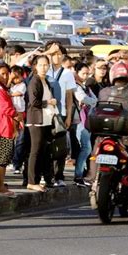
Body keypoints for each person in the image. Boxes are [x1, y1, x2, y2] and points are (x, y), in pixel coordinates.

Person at [44, 41, 77, 187]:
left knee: (61, 147)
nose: (56, 57)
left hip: (61, 113)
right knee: (46, 146)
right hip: (44, 113)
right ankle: (47, 175)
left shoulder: (68, 73)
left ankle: (59, 175)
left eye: (59, 54)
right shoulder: (43, 70)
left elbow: (69, 97)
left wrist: (69, 115)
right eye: (53, 54)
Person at [26, 56, 57, 192]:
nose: (44, 68)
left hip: (46, 119)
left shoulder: (46, 81)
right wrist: (48, 103)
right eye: (41, 65)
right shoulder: (35, 81)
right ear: (35, 66)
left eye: (46, 65)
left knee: (42, 152)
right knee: (35, 151)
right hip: (36, 120)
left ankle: (37, 180)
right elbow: (34, 102)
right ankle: (31, 181)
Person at [0, 63, 20, 196]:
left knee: (5, 158)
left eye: (7, 73)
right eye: (2, 73)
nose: (5, 76)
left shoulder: (3, 89)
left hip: (7, 126)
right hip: (3, 127)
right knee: (2, 159)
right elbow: (5, 107)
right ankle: (0, 186)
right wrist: (16, 115)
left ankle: (1, 184)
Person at [73, 62, 97, 187]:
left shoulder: (85, 87)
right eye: (83, 73)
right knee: (85, 148)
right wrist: (92, 102)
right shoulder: (76, 87)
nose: (86, 76)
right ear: (76, 73)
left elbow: (94, 99)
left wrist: (92, 102)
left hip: (87, 121)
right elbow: (84, 99)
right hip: (80, 121)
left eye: (87, 73)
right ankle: (78, 176)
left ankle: (80, 175)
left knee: (86, 148)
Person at [9, 65, 27, 174]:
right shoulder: (10, 86)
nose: (16, 79)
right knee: (12, 138)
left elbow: (19, 93)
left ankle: (17, 164)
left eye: (17, 77)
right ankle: (13, 161)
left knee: (20, 139)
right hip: (11, 114)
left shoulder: (23, 85)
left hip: (20, 113)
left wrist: (9, 94)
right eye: (13, 77)